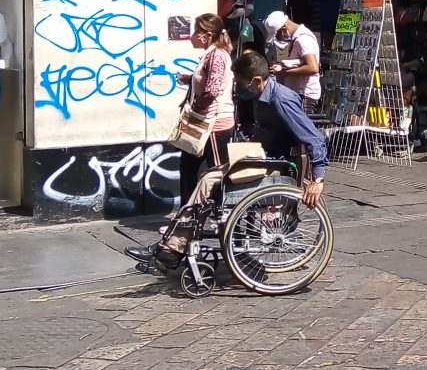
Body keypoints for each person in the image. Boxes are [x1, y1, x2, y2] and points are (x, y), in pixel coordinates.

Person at [126, 52, 328, 267]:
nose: (238, 89)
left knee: (207, 182)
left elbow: (314, 139)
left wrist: (317, 180)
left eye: (241, 84)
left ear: (256, 81)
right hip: (259, 157)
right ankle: (171, 245)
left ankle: (173, 248)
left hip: (275, 165)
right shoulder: (264, 96)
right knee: (208, 178)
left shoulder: (282, 100)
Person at [176, 14, 236, 207]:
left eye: (196, 32)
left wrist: (195, 109)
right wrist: (189, 79)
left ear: (207, 35)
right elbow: (207, 81)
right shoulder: (210, 54)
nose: (193, 36)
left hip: (214, 124)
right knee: (187, 167)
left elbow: (212, 90)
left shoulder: (218, 55)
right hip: (203, 122)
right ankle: (187, 215)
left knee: (216, 172)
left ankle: (223, 213)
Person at [264, 11, 321, 114]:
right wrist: (283, 66)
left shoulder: (303, 39)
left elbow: (313, 68)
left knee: (301, 128)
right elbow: (301, 62)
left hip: (304, 95)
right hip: (299, 93)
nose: (279, 39)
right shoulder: (298, 38)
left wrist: (285, 73)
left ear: (284, 29)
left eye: (278, 36)